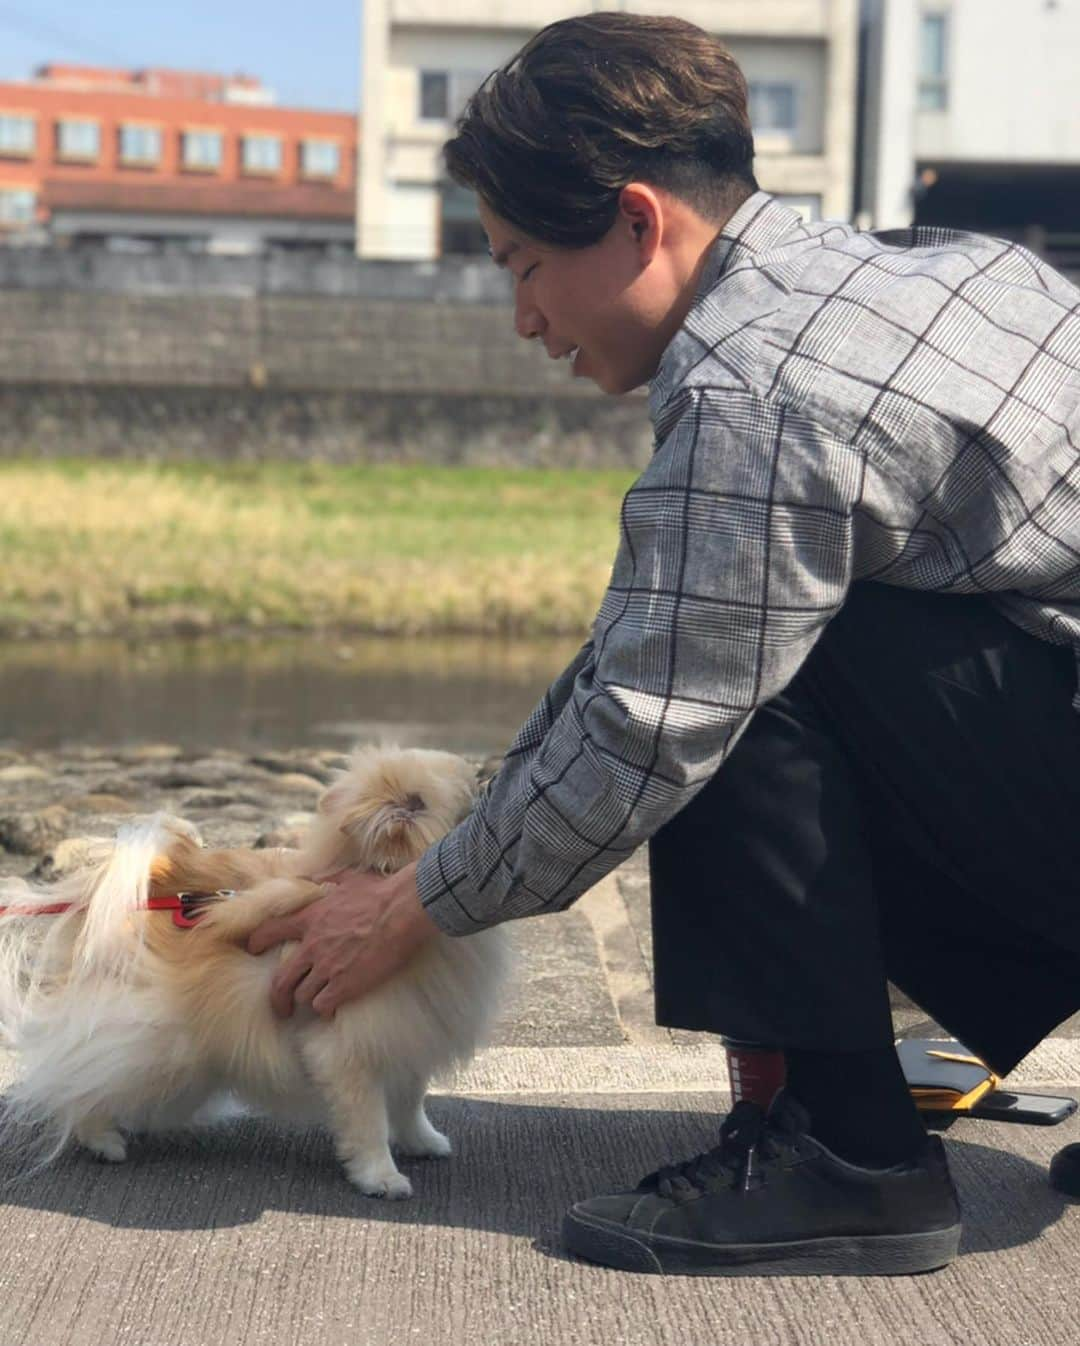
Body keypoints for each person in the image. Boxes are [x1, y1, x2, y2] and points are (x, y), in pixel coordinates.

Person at [246, 12, 1080, 1276]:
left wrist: (411, 903)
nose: (523, 317)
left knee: (736, 681)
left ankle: (843, 1153)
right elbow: (629, 652)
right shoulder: (948, 267)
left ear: (639, 221)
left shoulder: (757, 385)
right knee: (734, 625)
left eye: (523, 264)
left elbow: (648, 715)